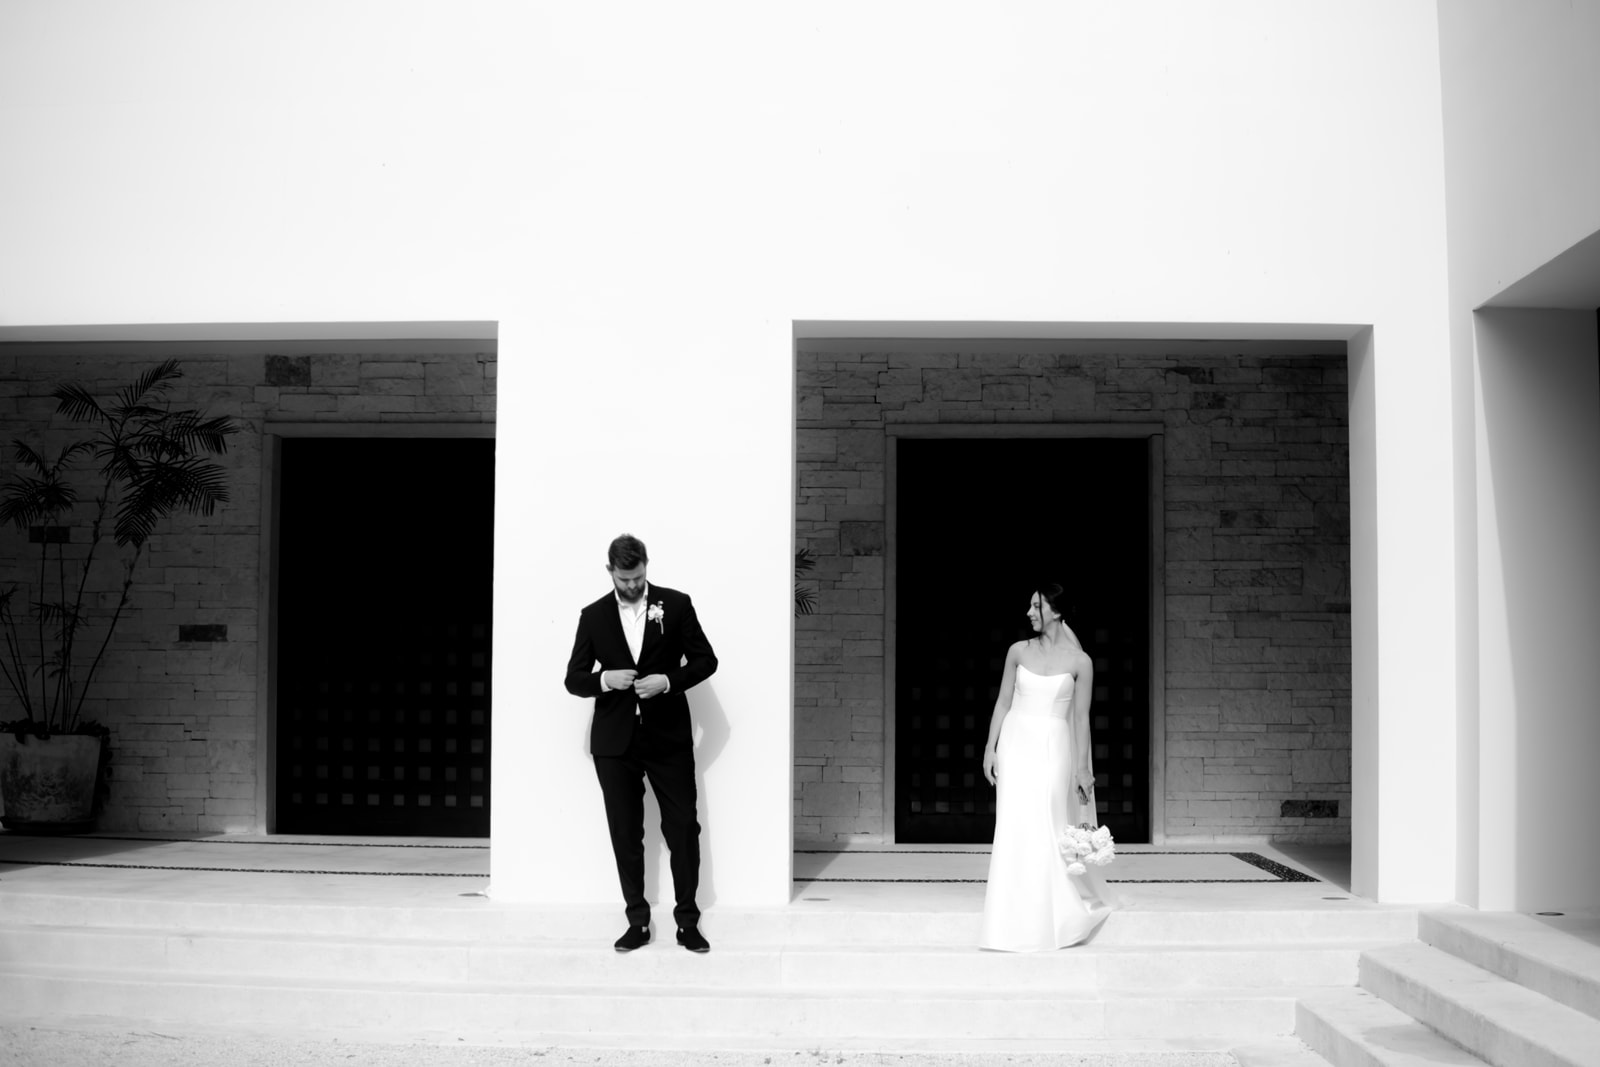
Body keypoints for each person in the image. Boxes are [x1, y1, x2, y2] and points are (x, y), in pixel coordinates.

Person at [564, 534, 718, 953]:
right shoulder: (593, 616)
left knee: (683, 827)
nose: (632, 586)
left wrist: (669, 681)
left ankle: (688, 921)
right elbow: (573, 679)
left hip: (667, 738)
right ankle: (638, 921)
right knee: (625, 833)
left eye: (638, 577)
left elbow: (706, 660)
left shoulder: (677, 604)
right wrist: (603, 680)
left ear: (647, 567)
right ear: (610, 571)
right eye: (624, 578)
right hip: (615, 744)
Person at [979, 583, 1113, 951]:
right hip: (1015, 742)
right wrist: (990, 748)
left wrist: (1083, 769)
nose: (1029, 613)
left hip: (1056, 747)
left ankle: (1054, 912)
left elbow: (1082, 719)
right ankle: (1010, 915)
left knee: (1050, 820)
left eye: (1036, 606)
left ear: (1056, 610)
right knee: (1014, 823)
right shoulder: (1017, 652)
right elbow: (1003, 702)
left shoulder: (1080, 662)